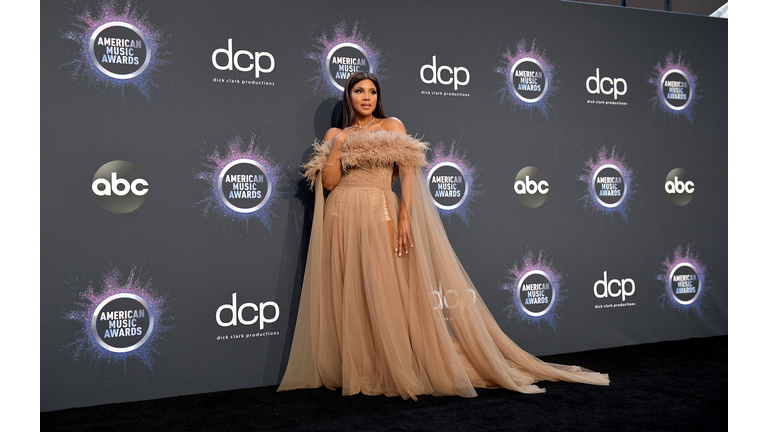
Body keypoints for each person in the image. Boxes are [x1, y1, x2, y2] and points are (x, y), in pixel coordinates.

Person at [278, 71, 608, 399]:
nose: (366, 97)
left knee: (381, 288)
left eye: (372, 91)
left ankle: (389, 363)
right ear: (348, 96)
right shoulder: (336, 133)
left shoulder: (392, 126)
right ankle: (355, 366)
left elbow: (407, 176)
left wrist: (405, 216)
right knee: (345, 291)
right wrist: (336, 147)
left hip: (379, 212)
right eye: (359, 91)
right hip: (340, 216)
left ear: (379, 97)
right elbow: (329, 184)